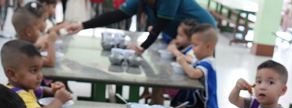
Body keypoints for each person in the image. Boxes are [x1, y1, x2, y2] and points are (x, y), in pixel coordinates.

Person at [63, 0, 215, 55]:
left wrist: (141, 48)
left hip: (202, 32)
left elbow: (159, 26)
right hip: (180, 37)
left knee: (198, 75)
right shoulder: (141, 1)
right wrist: (83, 25)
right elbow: (116, 15)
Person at [1, 40, 72, 108]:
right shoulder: (17, 96)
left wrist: (53, 91)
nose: (40, 75)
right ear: (12, 74)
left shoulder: (26, 87)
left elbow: (42, 91)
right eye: (33, 70)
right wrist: (59, 100)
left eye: (40, 69)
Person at [170, 24, 221, 108]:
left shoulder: (208, 63)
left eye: (195, 45)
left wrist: (183, 63)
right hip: (197, 101)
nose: (193, 49)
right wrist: (183, 57)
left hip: (205, 106)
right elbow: (192, 61)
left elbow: (194, 74)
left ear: (208, 46)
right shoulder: (201, 60)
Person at [13, 3, 58, 67]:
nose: (39, 32)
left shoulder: (21, 46)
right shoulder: (26, 52)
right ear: (29, 32)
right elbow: (50, 62)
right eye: (38, 29)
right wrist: (51, 42)